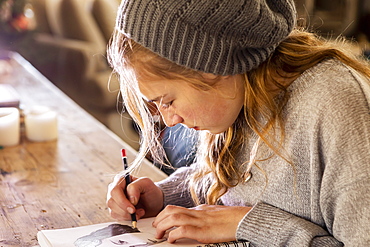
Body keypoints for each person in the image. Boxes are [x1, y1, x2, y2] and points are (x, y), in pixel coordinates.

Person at [106, 0, 370, 246]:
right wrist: (165, 196)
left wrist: (250, 224)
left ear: (211, 66)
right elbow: (239, 187)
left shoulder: (338, 106)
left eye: (167, 101)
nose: (170, 120)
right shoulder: (236, 95)